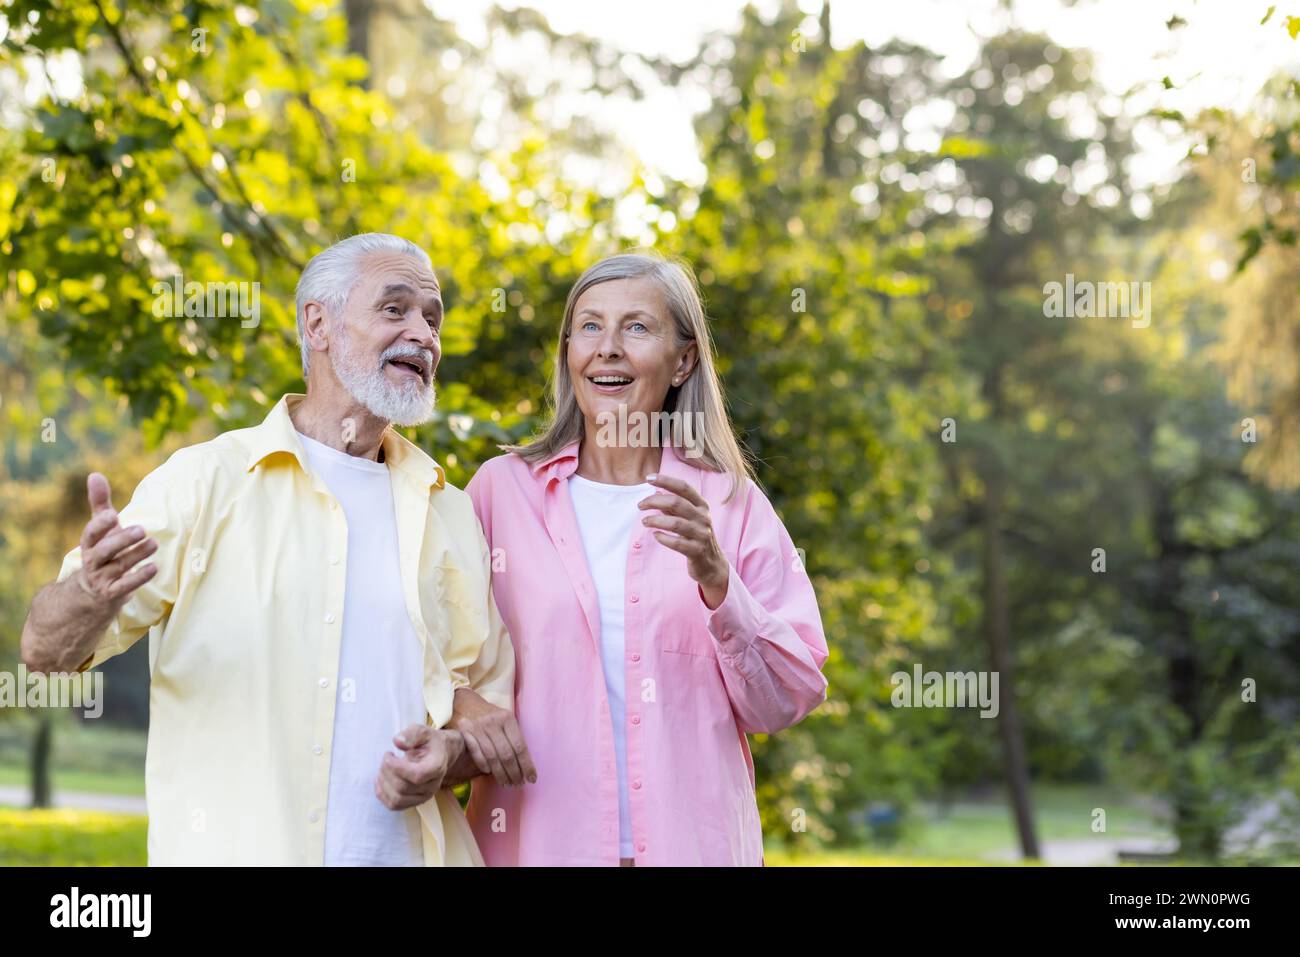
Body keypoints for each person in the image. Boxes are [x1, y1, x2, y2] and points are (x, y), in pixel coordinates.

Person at [20, 233, 533, 866]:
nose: (424, 334)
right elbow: (45, 653)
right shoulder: (204, 482)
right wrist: (90, 593)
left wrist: (445, 757)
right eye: (395, 309)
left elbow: (487, 722)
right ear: (317, 322)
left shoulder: (449, 511)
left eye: (433, 318)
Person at [465, 251, 828, 866]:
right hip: (539, 848)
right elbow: (433, 654)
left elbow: (784, 699)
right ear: (568, 353)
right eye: (588, 326)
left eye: (636, 327)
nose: (607, 347)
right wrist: (464, 705)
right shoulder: (501, 493)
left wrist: (719, 580)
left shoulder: (731, 503)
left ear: (683, 359)